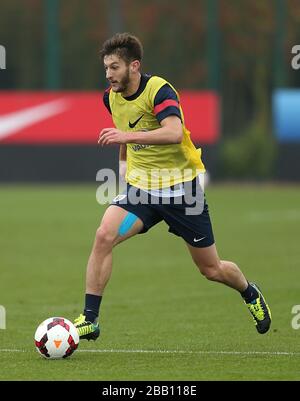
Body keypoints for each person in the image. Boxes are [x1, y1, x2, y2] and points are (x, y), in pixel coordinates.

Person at [74, 33, 271, 340]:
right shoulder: (110, 97)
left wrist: (125, 138)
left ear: (134, 66)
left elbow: (173, 132)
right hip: (142, 191)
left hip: (184, 193)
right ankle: (90, 319)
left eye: (114, 67)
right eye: (106, 68)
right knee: (103, 236)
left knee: (212, 269)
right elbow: (125, 130)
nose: (109, 74)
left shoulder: (159, 90)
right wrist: (123, 163)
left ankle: (249, 291)